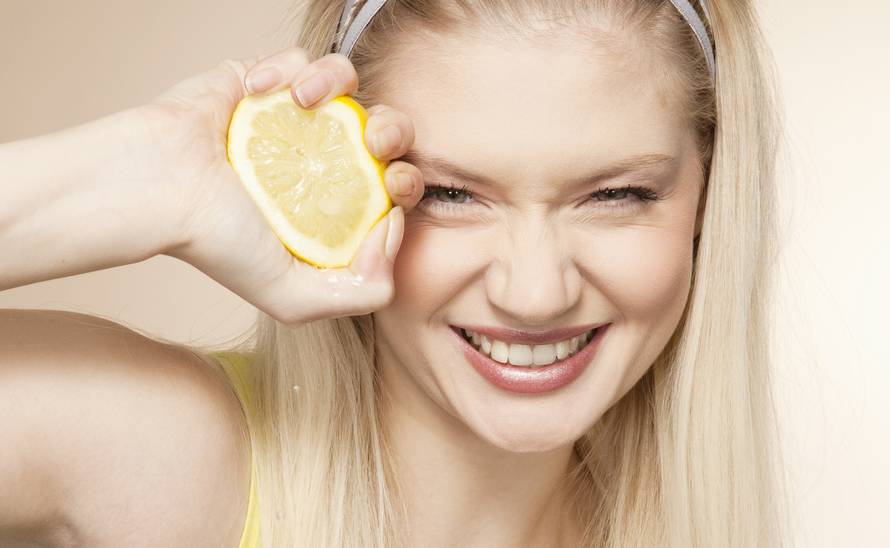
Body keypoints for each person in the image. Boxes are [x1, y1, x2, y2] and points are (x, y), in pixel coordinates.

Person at [0, 0, 789, 546]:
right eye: (449, 195)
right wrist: (142, 173)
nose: (535, 292)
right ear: (355, 171)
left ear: (711, 197)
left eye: (615, 195)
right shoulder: (177, 464)